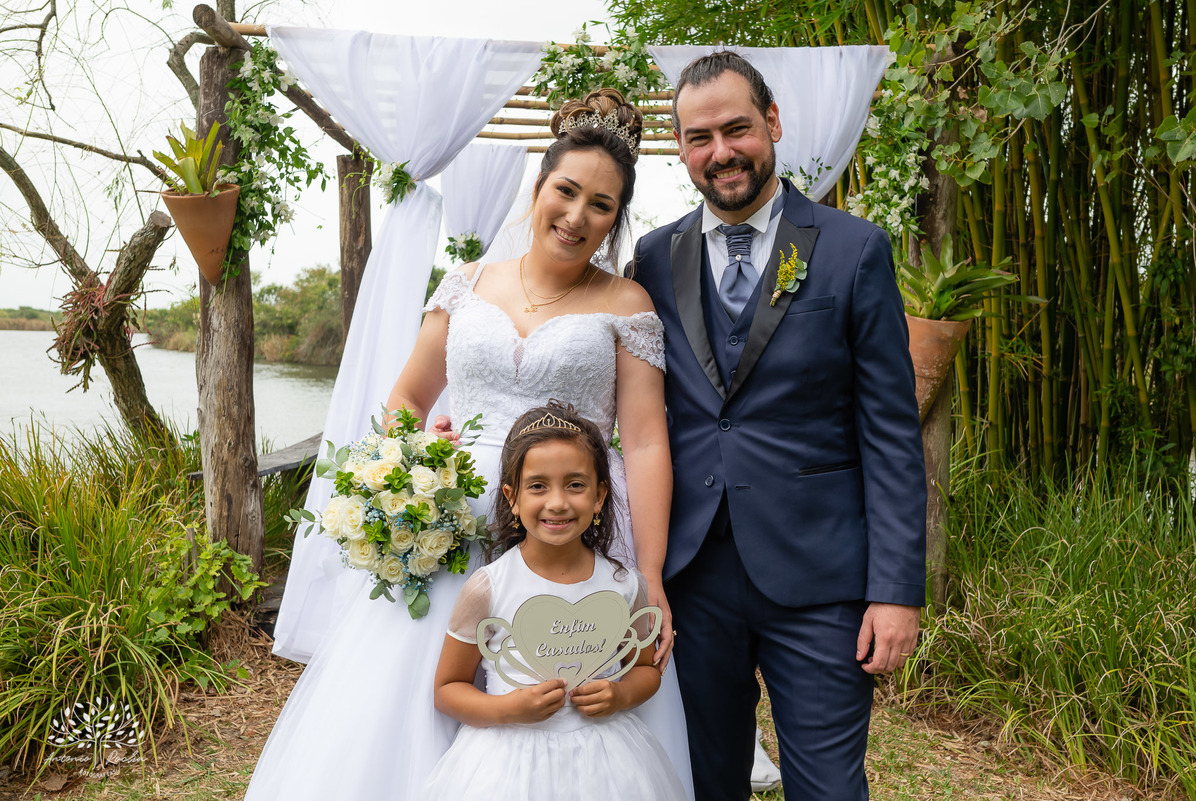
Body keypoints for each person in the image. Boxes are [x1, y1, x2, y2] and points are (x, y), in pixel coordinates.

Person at [244, 88, 693, 800]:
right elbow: (407, 401)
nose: (577, 216)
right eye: (566, 191)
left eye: (600, 206)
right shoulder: (465, 284)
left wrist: (654, 576)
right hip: (454, 521)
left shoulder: (625, 305)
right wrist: (416, 456)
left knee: (569, 696)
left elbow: (643, 442)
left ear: (615, 220)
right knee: (426, 682)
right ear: (538, 187)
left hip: (571, 518)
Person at [631, 52, 927, 800]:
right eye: (700, 137)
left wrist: (896, 590)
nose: (721, 152)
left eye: (737, 128)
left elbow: (891, 432)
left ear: (773, 123)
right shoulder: (654, 258)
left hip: (822, 578)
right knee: (705, 781)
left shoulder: (852, 249)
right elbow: (628, 403)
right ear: (681, 149)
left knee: (828, 787)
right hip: (692, 578)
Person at [421, 404, 688, 801]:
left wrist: (620, 695)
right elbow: (447, 688)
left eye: (576, 485)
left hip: (606, 762)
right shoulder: (489, 587)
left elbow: (647, 670)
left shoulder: (623, 584)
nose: (558, 502)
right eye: (538, 486)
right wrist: (507, 709)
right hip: (507, 764)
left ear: (600, 495)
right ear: (512, 497)